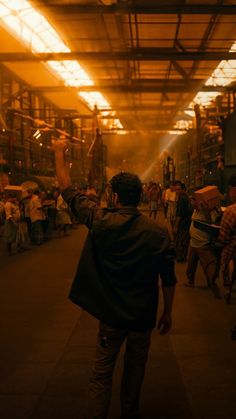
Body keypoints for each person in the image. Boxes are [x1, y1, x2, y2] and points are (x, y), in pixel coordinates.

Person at [53, 138, 177, 419]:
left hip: (111, 317)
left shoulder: (101, 220)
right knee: (135, 373)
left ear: (116, 197)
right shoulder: (158, 234)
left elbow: (67, 190)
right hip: (142, 318)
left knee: (101, 373)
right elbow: (168, 280)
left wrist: (59, 153)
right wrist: (167, 313)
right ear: (140, 196)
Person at [185, 190, 221, 298]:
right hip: (193, 242)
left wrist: (206, 209)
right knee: (191, 264)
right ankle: (191, 281)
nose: (191, 202)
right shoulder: (196, 210)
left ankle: (212, 283)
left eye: (193, 200)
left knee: (208, 265)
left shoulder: (210, 211)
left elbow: (211, 222)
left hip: (203, 244)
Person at [219, 174, 236, 304]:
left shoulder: (230, 211)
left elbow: (224, 237)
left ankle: (227, 288)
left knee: (226, 261)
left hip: (232, 248)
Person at [173, 183, 193, 262]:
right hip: (187, 223)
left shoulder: (182, 199)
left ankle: (180, 257)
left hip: (183, 223)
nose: (177, 191)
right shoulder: (187, 197)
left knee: (180, 241)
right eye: (176, 189)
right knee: (185, 240)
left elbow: (179, 214)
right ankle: (183, 256)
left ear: (183, 190)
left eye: (179, 189)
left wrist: (175, 226)